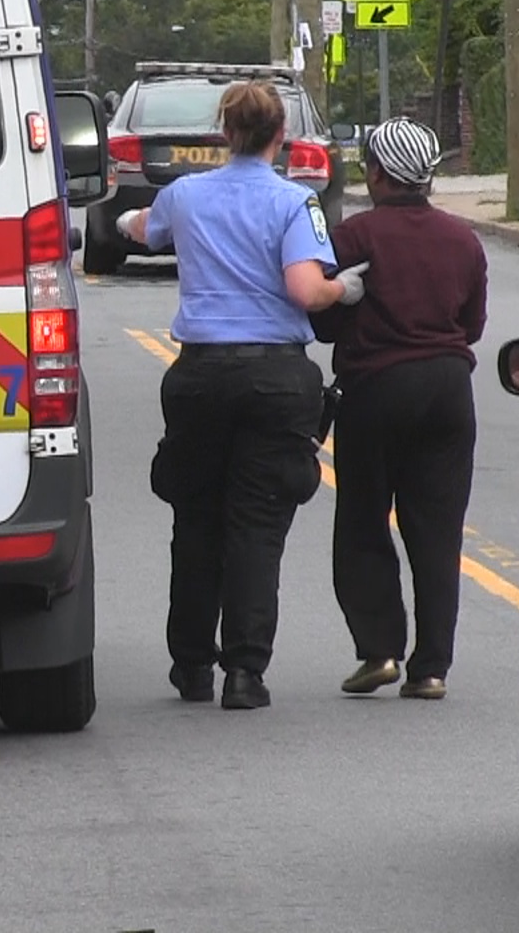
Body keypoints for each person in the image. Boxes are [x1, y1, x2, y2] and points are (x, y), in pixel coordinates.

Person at [116, 80, 370, 711]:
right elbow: (306, 290)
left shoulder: (185, 195)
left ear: (225, 134)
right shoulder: (295, 202)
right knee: (258, 526)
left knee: (196, 519)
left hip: (200, 376)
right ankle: (245, 672)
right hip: (276, 378)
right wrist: (345, 290)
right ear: (280, 136)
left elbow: (142, 229)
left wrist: (125, 219)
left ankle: (191, 663)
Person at [309, 117, 487, 702]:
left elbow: (324, 320)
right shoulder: (463, 240)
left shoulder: (354, 237)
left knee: (363, 520)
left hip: (375, 389)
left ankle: (380, 650)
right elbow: (472, 326)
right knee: (438, 530)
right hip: (448, 390)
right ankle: (431, 668)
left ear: (379, 173)